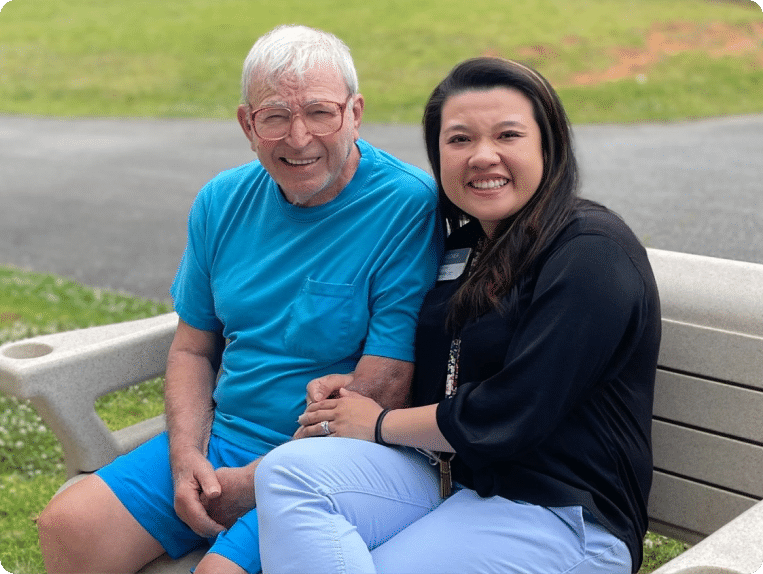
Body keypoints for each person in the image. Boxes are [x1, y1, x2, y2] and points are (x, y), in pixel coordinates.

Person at [36, 25, 442, 574]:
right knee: (70, 526)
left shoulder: (403, 203)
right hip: (224, 440)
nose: (299, 139)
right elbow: (192, 349)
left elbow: (387, 382)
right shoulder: (220, 201)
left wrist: (252, 485)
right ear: (247, 124)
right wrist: (186, 459)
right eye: (275, 116)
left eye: (320, 113)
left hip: (333, 460)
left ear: (355, 113)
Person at [254, 56, 661, 574]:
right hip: (464, 485)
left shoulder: (589, 252)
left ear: (547, 145)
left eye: (508, 135)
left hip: (563, 515)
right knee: (289, 472)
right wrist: (357, 390)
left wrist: (378, 424)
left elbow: (514, 411)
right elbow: (452, 368)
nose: (482, 157)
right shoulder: (467, 244)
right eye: (460, 139)